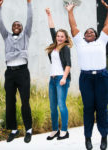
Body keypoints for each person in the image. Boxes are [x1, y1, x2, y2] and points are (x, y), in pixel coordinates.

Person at [66, 1, 108, 150]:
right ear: (83, 36)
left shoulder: (102, 41)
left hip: (102, 78)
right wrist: (70, 12)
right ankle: (88, 138)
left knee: (102, 108)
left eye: (92, 32)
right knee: (89, 108)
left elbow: (106, 26)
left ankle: (104, 137)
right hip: (86, 79)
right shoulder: (80, 43)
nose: (89, 33)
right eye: (87, 32)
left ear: (96, 35)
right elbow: (73, 27)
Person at [0, 0, 32, 143]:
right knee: (10, 102)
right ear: (11, 28)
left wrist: (29, 3)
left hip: (23, 73)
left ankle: (28, 129)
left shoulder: (26, 35)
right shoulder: (6, 36)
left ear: (23, 28)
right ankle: (14, 129)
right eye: (14, 25)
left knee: (25, 101)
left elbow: (30, 18)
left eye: (19, 25)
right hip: (10, 73)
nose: (16, 26)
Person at [45, 8, 72, 140]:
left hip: (62, 78)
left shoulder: (65, 48)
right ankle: (55, 129)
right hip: (52, 79)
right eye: (58, 36)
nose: (59, 37)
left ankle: (64, 131)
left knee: (61, 104)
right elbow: (51, 29)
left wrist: (64, 78)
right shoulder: (54, 46)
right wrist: (49, 15)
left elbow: (68, 64)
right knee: (52, 107)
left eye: (62, 36)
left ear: (66, 38)